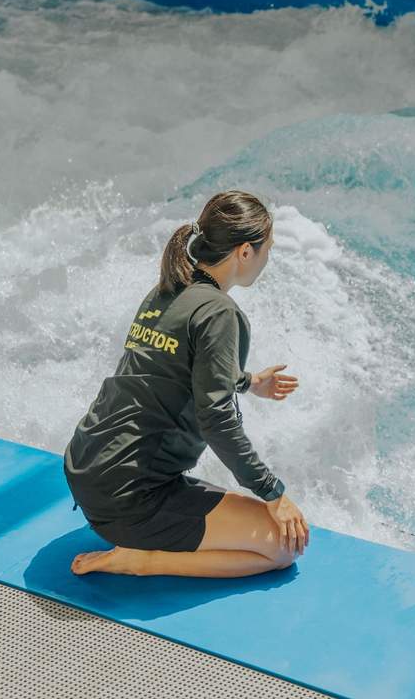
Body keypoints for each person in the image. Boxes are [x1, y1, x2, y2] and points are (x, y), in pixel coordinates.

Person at [64, 190, 308, 578]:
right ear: (246, 252)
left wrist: (247, 382)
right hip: (130, 498)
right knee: (283, 547)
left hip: (87, 470)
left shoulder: (168, 287)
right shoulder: (221, 312)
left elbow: (169, 365)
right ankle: (141, 560)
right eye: (268, 249)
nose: (268, 259)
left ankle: (138, 536)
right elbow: (216, 419)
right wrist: (273, 493)